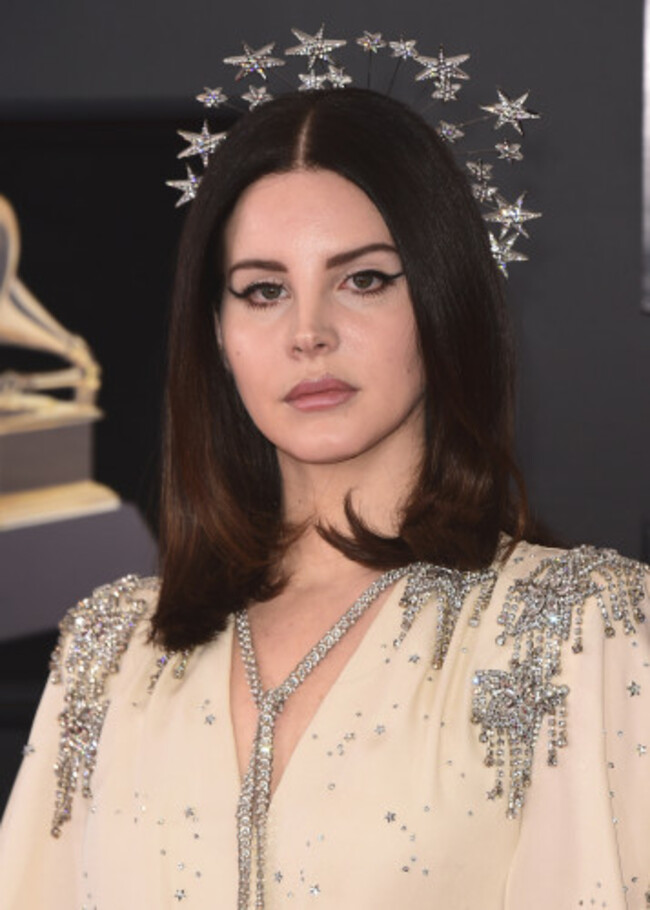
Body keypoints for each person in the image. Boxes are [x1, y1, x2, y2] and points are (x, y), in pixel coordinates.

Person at [0, 86, 648, 909]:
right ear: (219, 335)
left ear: (443, 303)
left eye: (364, 280)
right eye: (263, 290)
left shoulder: (581, 634)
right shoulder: (109, 652)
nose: (308, 331)